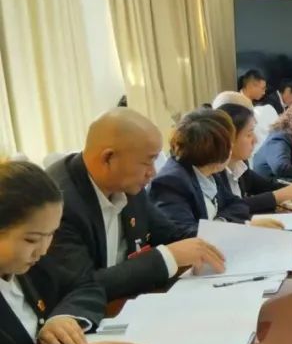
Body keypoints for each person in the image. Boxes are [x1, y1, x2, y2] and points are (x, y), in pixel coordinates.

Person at [0, 161, 151, 344]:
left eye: (51, 234)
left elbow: (86, 284)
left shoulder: (33, 263)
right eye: (31, 239)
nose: (43, 250)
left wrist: (63, 317)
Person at [46, 108, 226, 301]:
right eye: (148, 162)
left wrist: (231, 235)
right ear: (108, 158)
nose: (153, 173)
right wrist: (167, 257)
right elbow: (81, 285)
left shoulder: (127, 184)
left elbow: (171, 235)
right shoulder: (57, 201)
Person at [149, 108, 262, 235]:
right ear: (219, 150)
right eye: (230, 142)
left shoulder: (211, 171)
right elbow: (184, 234)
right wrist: (222, 225)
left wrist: (220, 221)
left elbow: (238, 205)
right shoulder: (171, 182)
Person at [217, 103, 292, 215]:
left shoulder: (240, 165)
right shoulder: (215, 172)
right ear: (229, 137)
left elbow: (268, 186)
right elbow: (229, 208)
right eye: (249, 134)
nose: (255, 140)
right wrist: (278, 196)